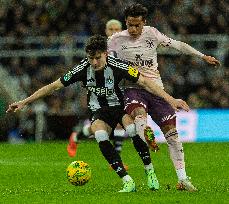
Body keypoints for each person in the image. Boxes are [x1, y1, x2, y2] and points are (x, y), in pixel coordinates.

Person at [6, 35, 189, 192]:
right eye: (91, 58)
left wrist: (171, 100)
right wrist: (24, 102)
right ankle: (127, 180)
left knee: (133, 130)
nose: (94, 62)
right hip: (98, 110)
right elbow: (53, 86)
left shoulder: (118, 66)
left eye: (97, 58)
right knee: (100, 134)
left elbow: (146, 82)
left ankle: (149, 171)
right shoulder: (82, 69)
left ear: (106, 54)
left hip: (120, 107)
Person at [107, 3, 220, 192]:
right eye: (129, 25)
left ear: (144, 22)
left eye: (137, 25)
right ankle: (146, 134)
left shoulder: (152, 33)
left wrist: (202, 56)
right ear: (125, 22)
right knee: (139, 113)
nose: (133, 29)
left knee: (173, 136)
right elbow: (100, 61)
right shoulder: (115, 40)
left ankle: (183, 180)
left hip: (157, 89)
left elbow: (177, 45)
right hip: (133, 88)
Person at [67, 19, 158, 160]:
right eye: (111, 29)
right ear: (106, 31)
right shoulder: (99, 49)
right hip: (101, 94)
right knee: (101, 127)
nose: (114, 32)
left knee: (123, 123)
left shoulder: (128, 47)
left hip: (123, 90)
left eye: (117, 30)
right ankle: (78, 136)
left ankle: (118, 155)